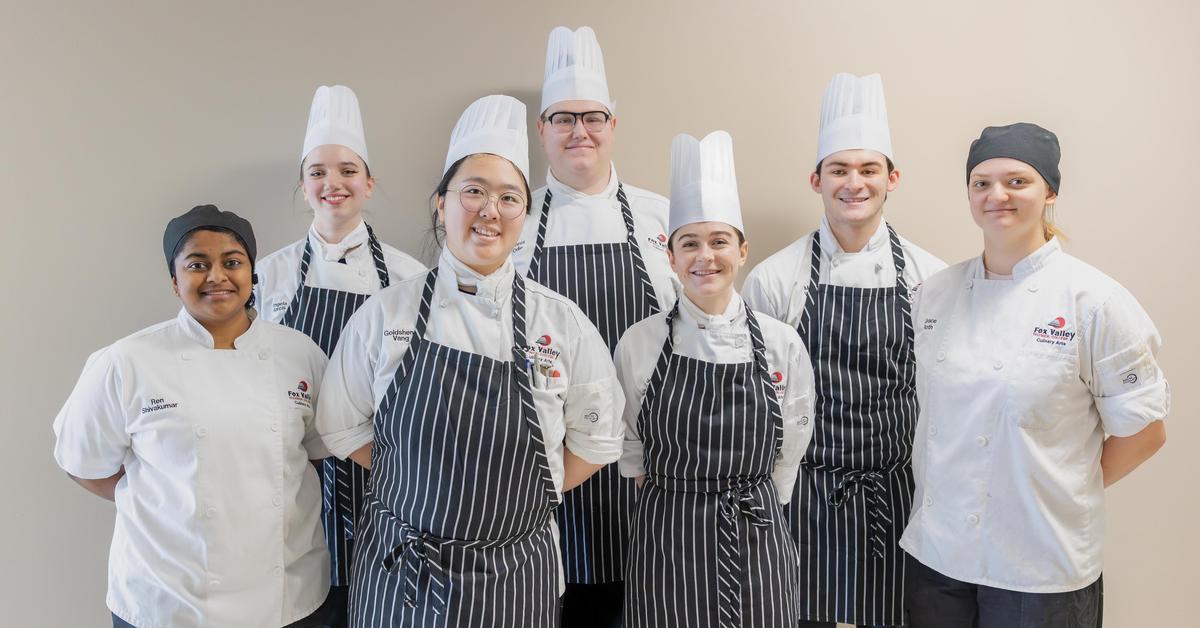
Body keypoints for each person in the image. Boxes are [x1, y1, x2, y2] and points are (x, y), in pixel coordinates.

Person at [315, 95, 624, 627]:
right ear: (442, 203)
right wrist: (420, 486)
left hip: (516, 573)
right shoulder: (384, 315)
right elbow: (342, 427)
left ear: (523, 214)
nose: (490, 210)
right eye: (473, 191)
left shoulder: (562, 323)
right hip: (404, 571)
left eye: (509, 197)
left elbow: (596, 441)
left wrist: (515, 500)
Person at [900, 122, 1169, 627]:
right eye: (981, 183)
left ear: (1050, 191)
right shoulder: (935, 294)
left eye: (1016, 181)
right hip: (938, 553)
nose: (996, 195)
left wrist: (1063, 490)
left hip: (1039, 563)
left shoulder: (1095, 302)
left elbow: (1145, 432)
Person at [53, 205, 333, 628]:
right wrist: (164, 503)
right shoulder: (126, 361)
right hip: (166, 599)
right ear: (174, 280)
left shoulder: (300, 354)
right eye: (197, 265)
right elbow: (83, 463)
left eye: (232, 262)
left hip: (287, 596)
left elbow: (315, 452)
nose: (217, 276)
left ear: (252, 273)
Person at [742, 73, 946, 627]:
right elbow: (757, 400)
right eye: (838, 170)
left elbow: (942, 393)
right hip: (804, 494)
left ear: (892, 178)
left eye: (868, 169)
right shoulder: (774, 279)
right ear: (816, 179)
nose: (854, 183)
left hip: (899, 492)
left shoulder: (932, 278)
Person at [615, 131, 814, 627]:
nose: (705, 255)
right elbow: (631, 443)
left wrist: (761, 497)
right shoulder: (640, 343)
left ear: (742, 250)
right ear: (671, 257)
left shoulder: (781, 342)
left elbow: (792, 439)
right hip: (668, 533)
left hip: (757, 528)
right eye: (690, 244)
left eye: (719, 241)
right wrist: (678, 498)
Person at [515, 26, 676, 624]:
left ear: (613, 124)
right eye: (563, 118)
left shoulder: (664, 218)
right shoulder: (512, 220)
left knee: (649, 597)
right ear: (542, 130)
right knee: (562, 601)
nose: (579, 130)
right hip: (549, 454)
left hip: (649, 450)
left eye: (593, 117)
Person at [256, 85, 424, 624]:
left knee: (375, 599)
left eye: (348, 171)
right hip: (292, 462)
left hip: (381, 464)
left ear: (369, 183)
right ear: (303, 185)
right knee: (303, 596)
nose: (334, 183)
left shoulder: (411, 277)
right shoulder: (267, 275)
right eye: (319, 172)